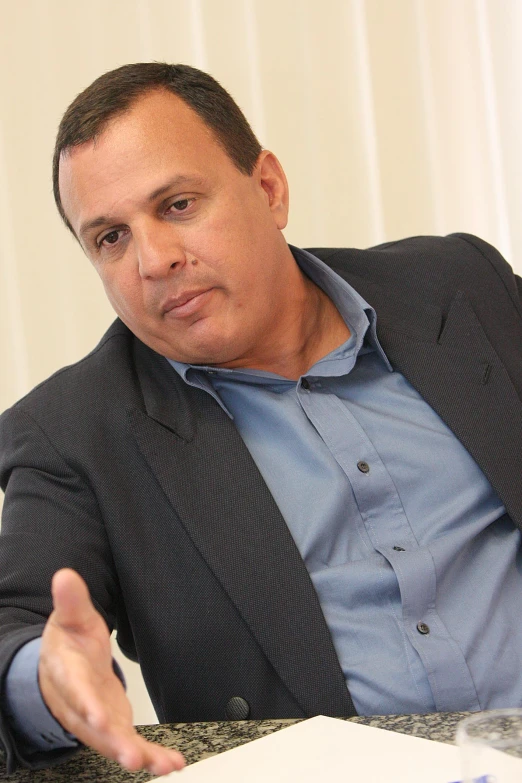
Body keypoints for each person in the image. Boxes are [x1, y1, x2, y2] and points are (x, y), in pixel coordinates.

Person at [0, 62, 521, 776]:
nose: (154, 259)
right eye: (111, 238)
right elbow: (16, 625)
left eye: (177, 204)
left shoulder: (462, 286)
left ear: (269, 189)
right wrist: (43, 676)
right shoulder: (73, 432)